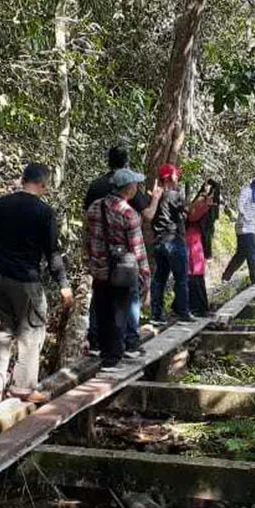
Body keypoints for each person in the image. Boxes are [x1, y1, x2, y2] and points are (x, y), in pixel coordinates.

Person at [0, 162, 72, 405]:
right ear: (42, 184)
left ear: (23, 179)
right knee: (32, 333)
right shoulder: (44, 212)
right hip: (25, 280)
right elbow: (52, 253)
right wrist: (63, 283)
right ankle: (22, 388)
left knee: (1, 329)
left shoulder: (1, 204)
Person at [82, 144, 160, 354]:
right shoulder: (129, 212)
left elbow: (88, 228)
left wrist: (89, 255)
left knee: (100, 300)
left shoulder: (95, 194)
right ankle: (129, 343)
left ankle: (96, 342)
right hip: (124, 264)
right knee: (128, 300)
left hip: (99, 261)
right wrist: (145, 275)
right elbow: (145, 223)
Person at [149, 163, 192, 322]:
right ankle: (182, 311)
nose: (178, 178)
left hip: (159, 241)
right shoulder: (173, 195)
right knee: (181, 278)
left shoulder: (156, 195)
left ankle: (156, 314)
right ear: (169, 178)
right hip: (173, 240)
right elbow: (188, 210)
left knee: (159, 279)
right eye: (175, 175)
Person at [185, 180, 221, 316]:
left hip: (196, 239)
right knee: (194, 273)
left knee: (196, 273)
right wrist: (204, 203)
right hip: (192, 240)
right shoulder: (202, 203)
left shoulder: (208, 205)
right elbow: (192, 216)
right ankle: (197, 308)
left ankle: (197, 307)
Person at [222, 176, 255, 285]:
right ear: (254, 182)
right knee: (252, 252)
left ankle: (226, 277)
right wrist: (244, 215)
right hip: (244, 226)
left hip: (251, 226)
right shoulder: (247, 191)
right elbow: (240, 203)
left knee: (241, 255)